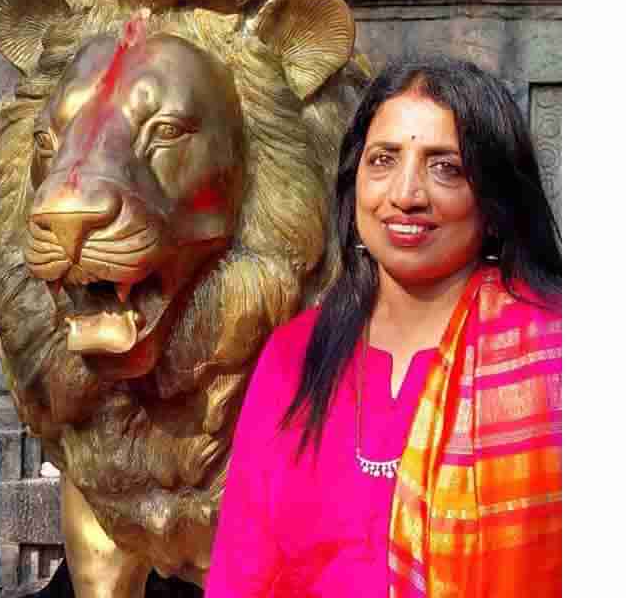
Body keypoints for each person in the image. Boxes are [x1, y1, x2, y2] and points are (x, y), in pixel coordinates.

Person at [207, 57, 562, 597]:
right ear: (355, 188)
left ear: (492, 204)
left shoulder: (552, 361)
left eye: (446, 167)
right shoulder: (294, 354)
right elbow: (241, 571)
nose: (406, 194)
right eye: (383, 160)